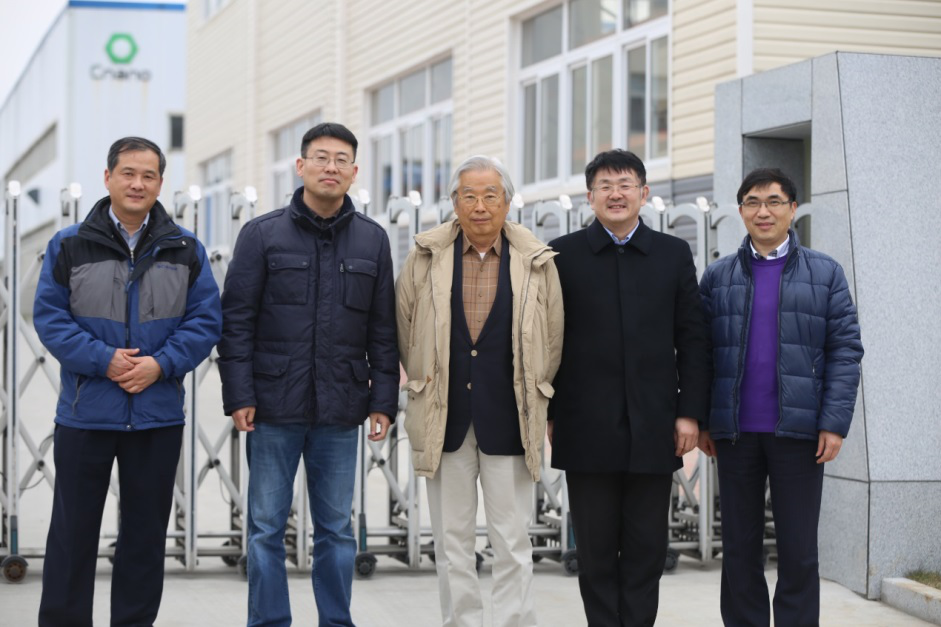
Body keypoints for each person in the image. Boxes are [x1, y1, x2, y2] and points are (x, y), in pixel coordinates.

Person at [33, 137, 222, 626]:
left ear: (160, 183)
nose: (138, 184)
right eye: (128, 173)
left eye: (148, 175)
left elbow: (205, 321)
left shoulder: (185, 248)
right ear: (108, 178)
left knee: (144, 539)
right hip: (85, 414)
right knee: (72, 536)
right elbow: (50, 318)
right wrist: (104, 360)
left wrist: (160, 365)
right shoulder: (69, 244)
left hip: (157, 415)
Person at [218, 122, 399, 627]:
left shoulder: (372, 240)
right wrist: (239, 394)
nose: (330, 167)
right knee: (265, 529)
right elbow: (236, 322)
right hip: (272, 406)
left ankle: (335, 622)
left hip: (341, 408)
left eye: (341, 160)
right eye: (320, 157)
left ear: (354, 172)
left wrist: (384, 401)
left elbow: (383, 329)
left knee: (337, 531)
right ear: (300, 166)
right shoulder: (262, 234)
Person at [395, 155, 563, 627]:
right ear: (454, 203)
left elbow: (552, 338)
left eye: (491, 195)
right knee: (452, 542)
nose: (480, 206)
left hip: (510, 418)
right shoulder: (425, 256)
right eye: (469, 196)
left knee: (512, 541)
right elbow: (406, 329)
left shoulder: (536, 261)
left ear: (508, 201)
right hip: (444, 418)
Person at [548, 149, 711, 626]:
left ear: (644, 193)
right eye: (605, 186)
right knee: (594, 553)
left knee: (646, 551)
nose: (615, 194)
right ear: (589, 196)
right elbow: (547, 340)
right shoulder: (562, 255)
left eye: (625, 185)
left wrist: (689, 412)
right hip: (585, 427)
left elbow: (693, 337)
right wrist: (552, 413)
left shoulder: (672, 253)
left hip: (655, 426)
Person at [698, 168, 864, 626]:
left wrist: (833, 422)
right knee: (739, 548)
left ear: (793, 209)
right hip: (735, 434)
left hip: (800, 433)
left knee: (798, 549)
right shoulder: (717, 277)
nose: (763, 211)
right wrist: (703, 419)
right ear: (740, 211)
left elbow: (846, 350)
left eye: (774, 201)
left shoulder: (825, 273)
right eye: (753, 202)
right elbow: (700, 353)